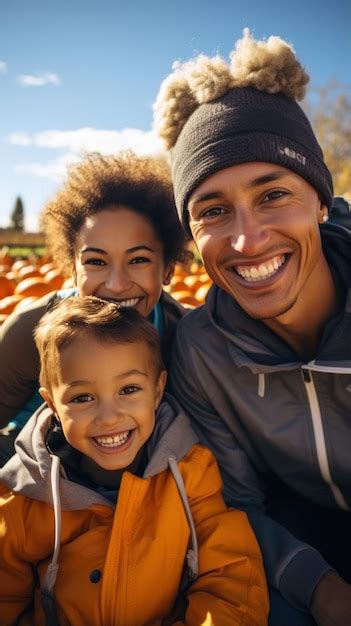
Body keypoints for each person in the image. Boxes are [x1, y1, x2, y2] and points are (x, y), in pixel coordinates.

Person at [153, 28, 351, 626]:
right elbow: (236, 503)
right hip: (305, 541)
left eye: (273, 195)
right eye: (213, 210)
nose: (246, 240)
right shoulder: (199, 352)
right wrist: (323, 592)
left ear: (320, 199)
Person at [0, 296, 268, 626]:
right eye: (82, 398)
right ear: (52, 405)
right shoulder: (23, 499)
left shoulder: (191, 474)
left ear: (158, 391)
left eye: (129, 390)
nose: (109, 418)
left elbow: (231, 575)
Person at [0, 151, 187, 464]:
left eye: (139, 260)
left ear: (167, 269)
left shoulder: (183, 337)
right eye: (96, 262)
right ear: (72, 268)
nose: (115, 284)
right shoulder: (27, 332)